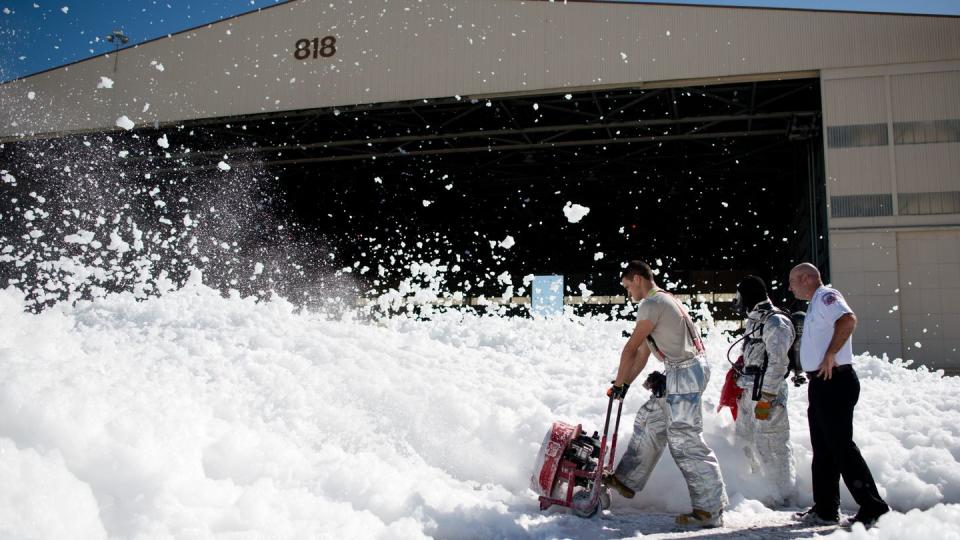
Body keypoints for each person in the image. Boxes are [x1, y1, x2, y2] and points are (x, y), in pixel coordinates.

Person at [603, 260, 728, 528]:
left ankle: (709, 510)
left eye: (627, 287)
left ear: (637, 279)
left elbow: (630, 349)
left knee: (685, 439)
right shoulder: (663, 300)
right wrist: (624, 385)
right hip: (682, 370)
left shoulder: (650, 304)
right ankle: (627, 479)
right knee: (651, 419)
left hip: (685, 371)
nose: (628, 294)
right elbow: (644, 355)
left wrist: (618, 383)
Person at [788, 262, 890, 527]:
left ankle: (873, 506)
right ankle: (825, 509)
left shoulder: (826, 296)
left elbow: (848, 319)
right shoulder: (815, 303)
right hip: (822, 382)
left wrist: (831, 353)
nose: (790, 287)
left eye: (793, 281)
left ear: (808, 278)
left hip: (835, 380)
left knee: (841, 447)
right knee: (824, 449)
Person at [731, 275, 796, 506]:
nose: (737, 302)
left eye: (740, 296)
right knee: (745, 441)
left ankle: (783, 496)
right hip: (750, 391)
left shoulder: (775, 322)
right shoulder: (755, 319)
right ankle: (756, 492)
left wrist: (766, 398)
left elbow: (778, 363)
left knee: (772, 444)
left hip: (768, 394)